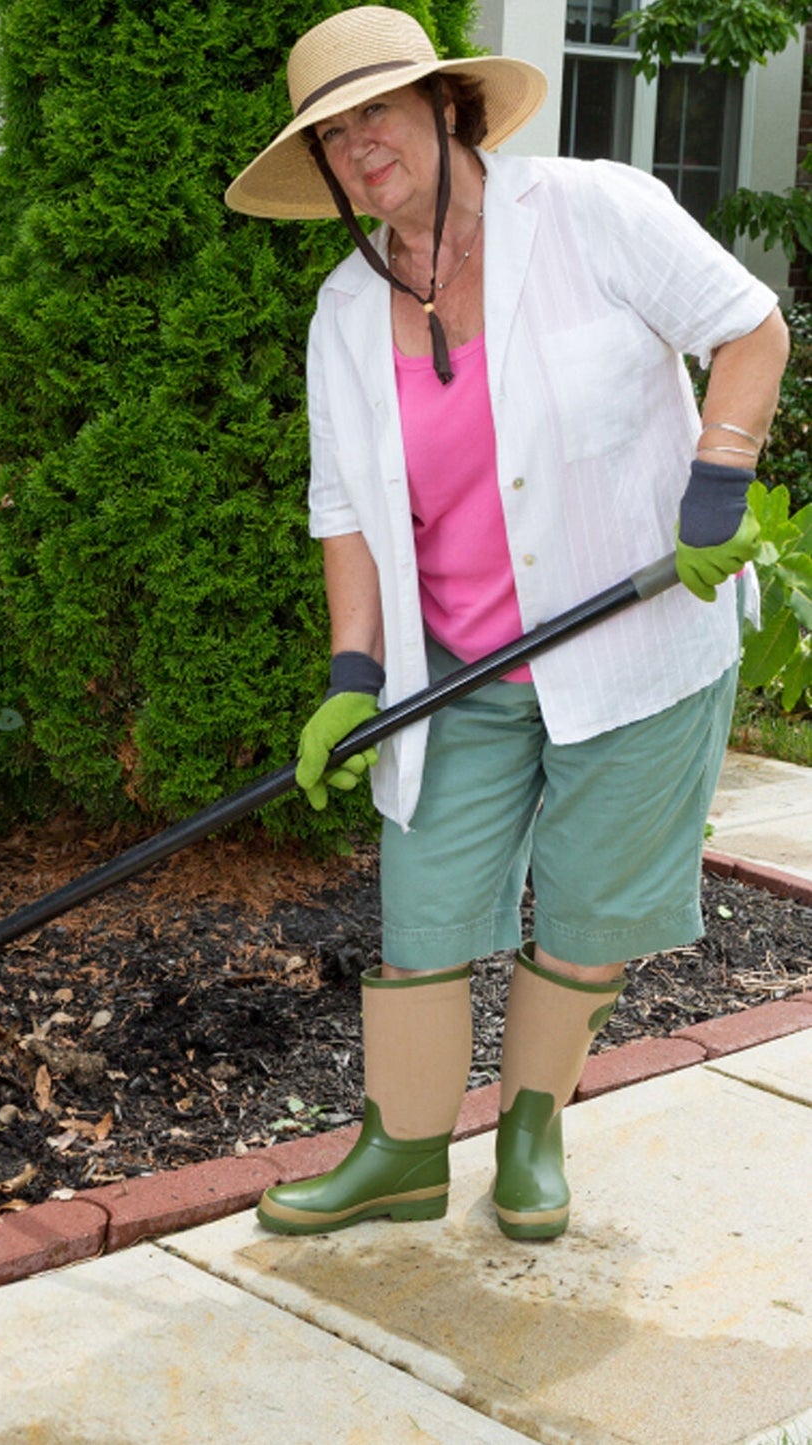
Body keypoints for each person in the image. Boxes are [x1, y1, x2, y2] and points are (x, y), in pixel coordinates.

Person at [225, 5, 788, 1241]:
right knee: (423, 908)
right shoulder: (340, 310)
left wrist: (716, 481)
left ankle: (530, 1126)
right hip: (459, 668)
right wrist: (352, 670)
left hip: (635, 649)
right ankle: (402, 1149)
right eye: (331, 133)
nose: (359, 143)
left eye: (376, 108)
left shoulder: (596, 212)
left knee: (588, 908)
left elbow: (749, 326)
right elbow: (343, 509)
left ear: (445, 102)